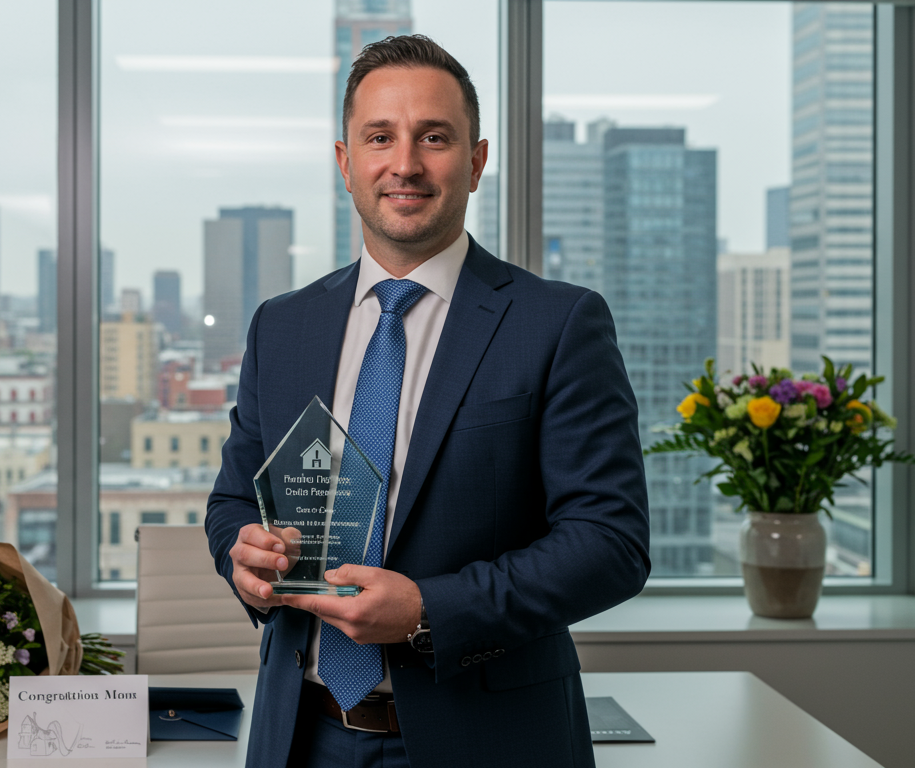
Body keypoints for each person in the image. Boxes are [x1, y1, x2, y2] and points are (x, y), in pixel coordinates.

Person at [205, 34, 649, 768]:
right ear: (346, 162)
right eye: (380, 137)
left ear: (475, 162)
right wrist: (241, 555)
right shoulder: (281, 327)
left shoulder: (558, 323)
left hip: (488, 743)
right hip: (300, 737)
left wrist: (428, 611)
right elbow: (232, 500)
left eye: (434, 138)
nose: (405, 163)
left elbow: (610, 544)